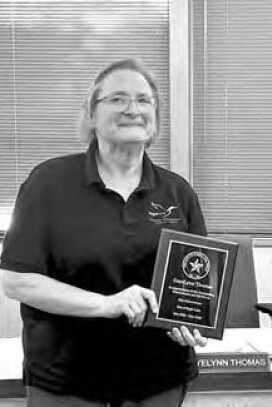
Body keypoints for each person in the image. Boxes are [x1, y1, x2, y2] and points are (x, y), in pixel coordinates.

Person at [0, 59, 207, 407]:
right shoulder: (48, 183)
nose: (132, 109)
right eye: (117, 99)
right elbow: (16, 280)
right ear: (92, 115)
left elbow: (196, 283)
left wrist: (190, 321)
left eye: (144, 100)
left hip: (159, 383)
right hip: (67, 386)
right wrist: (106, 304)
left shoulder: (177, 192)